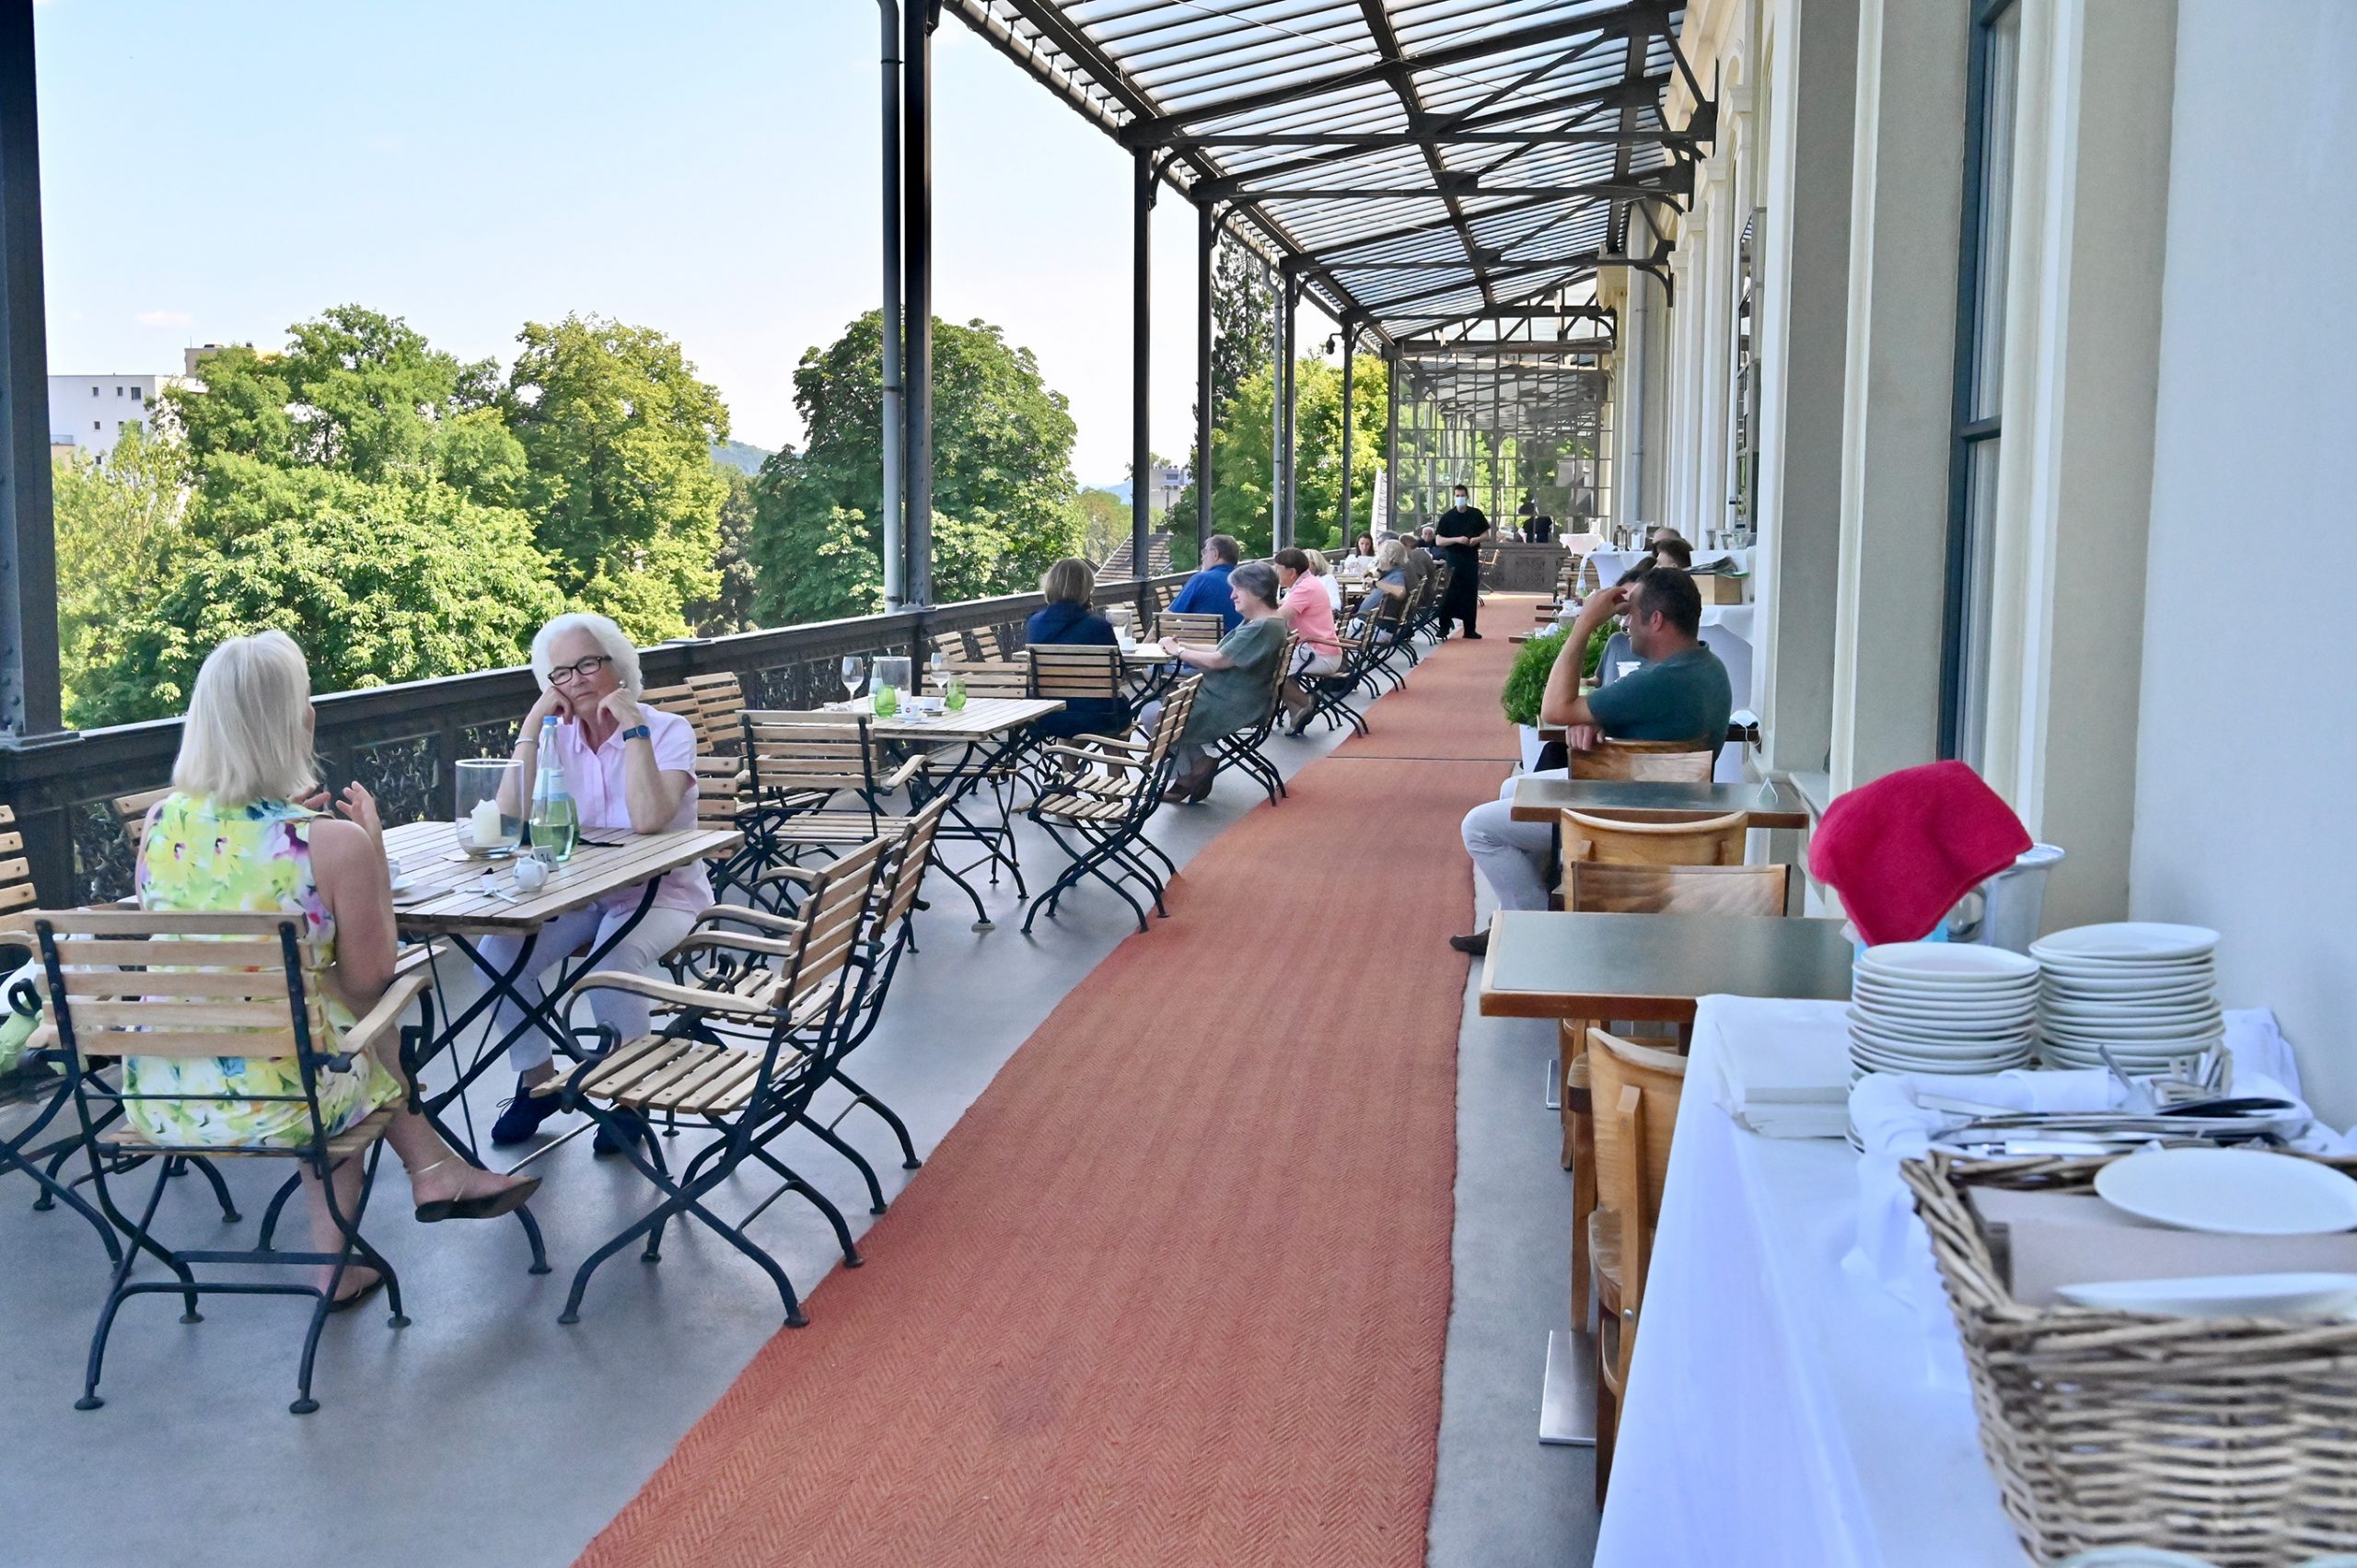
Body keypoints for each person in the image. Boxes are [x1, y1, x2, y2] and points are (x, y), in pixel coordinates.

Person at [131, 632, 538, 1307]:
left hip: (163, 1096)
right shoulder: (332, 843)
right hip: (285, 1101)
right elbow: (367, 980)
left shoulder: (159, 822)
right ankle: (391, 1208)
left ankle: (428, 1178)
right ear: (300, 720)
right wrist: (365, 853)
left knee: (319, 1029)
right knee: (350, 1036)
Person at [486, 612, 711, 1149]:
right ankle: (537, 1081)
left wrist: (634, 730)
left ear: (618, 665)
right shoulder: (555, 737)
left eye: (589, 664)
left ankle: (632, 1096)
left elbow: (649, 818)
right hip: (581, 896)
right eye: (561, 673)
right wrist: (531, 727)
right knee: (497, 952)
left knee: (611, 958)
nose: (577, 680)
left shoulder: (667, 730)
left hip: (664, 895)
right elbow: (506, 820)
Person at [1449, 569, 1733, 954]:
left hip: (1624, 821)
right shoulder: (1708, 667)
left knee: (1478, 827)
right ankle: (1520, 914)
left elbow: (1554, 708)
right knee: (1512, 788)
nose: (1625, 624)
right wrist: (1597, 720)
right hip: (1667, 803)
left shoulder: (1659, 681)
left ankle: (1529, 933)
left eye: (1630, 614)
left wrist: (1583, 625)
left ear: (1656, 620)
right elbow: (1643, 720)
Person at [1138, 561, 1289, 803]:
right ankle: (1198, 765)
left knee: (1152, 713)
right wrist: (1180, 645)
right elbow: (1222, 650)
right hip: (1236, 699)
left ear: (1257, 592)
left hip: (1229, 706)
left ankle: (1191, 771)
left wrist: (1178, 652)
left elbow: (1217, 661)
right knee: (1164, 712)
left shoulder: (1261, 628)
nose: (1232, 595)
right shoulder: (1264, 622)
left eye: (1238, 589)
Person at [1025, 557, 1132, 740]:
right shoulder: (1098, 626)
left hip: (1048, 716)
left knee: (1074, 709)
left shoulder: (1033, 623)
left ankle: (1068, 758)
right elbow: (1119, 672)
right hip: (1099, 717)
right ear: (1086, 588)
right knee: (1116, 708)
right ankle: (1115, 759)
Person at [1272, 547, 1341, 734]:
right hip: (1323, 650)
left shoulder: (1305, 588)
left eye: (1278, 569)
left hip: (1319, 654)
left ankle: (1305, 702)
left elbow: (1278, 618)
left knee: (1272, 671)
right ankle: (1297, 713)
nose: (1276, 573)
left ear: (1291, 572)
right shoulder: (1308, 583)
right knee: (1279, 667)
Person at [1436, 482, 1492, 638]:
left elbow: (1487, 534)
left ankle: (1470, 629)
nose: (1460, 498)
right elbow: (1439, 540)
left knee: (1470, 592)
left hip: (1471, 558)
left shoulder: (1476, 514)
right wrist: (1456, 539)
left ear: (1467, 497)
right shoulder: (1447, 517)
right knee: (1450, 592)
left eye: (1462, 496)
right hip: (1453, 559)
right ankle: (1444, 625)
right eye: (1457, 496)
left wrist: (1477, 539)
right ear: (1454, 497)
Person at [1167, 533, 1244, 633]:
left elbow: (1167, 617)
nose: (1202, 558)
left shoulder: (1201, 580)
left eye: (1205, 552)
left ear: (1215, 554)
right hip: (1238, 641)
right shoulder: (1246, 582)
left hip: (1198, 642)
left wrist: (1147, 640)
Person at [1302, 547, 1344, 613]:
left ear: (1315, 563)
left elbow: (1335, 605)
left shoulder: (1327, 579)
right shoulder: (1299, 581)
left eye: (1306, 563)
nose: (1302, 566)